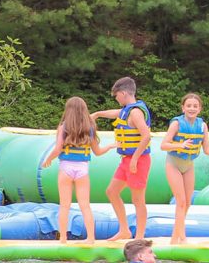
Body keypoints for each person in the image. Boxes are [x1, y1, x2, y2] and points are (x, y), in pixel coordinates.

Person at [160, 93, 209, 244]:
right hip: (173, 163)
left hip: (189, 165)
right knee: (180, 201)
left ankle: (178, 234)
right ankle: (178, 239)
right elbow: (164, 145)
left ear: (200, 109)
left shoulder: (202, 126)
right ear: (183, 108)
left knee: (187, 203)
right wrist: (180, 144)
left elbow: (206, 149)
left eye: (195, 106)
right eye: (189, 106)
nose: (192, 108)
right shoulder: (176, 124)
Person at [41, 97, 115, 244]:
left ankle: (63, 239)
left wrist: (48, 159)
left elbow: (58, 149)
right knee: (85, 205)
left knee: (64, 205)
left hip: (66, 169)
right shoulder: (90, 128)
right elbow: (98, 152)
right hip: (82, 170)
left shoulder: (64, 127)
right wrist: (111, 146)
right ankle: (91, 238)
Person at [92, 77, 153, 240]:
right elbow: (114, 113)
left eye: (116, 96)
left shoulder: (136, 112)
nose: (116, 99)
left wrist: (134, 159)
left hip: (138, 160)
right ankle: (124, 230)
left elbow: (146, 136)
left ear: (123, 93)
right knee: (111, 191)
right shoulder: (127, 110)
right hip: (126, 159)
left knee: (138, 199)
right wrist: (97, 114)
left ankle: (139, 237)